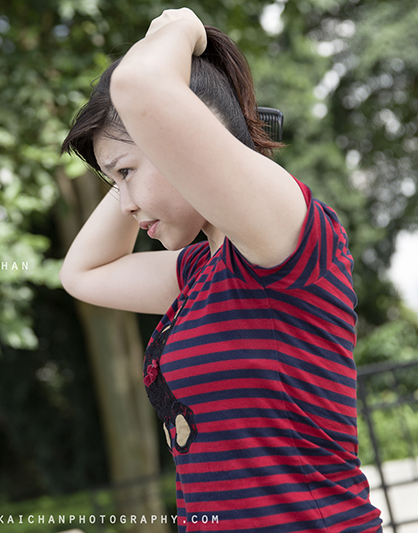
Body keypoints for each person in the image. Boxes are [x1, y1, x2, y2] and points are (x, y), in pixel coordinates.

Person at [58, 7, 383, 533]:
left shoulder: (284, 240)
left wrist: (180, 27)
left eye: (125, 173)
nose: (122, 204)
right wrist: (131, 166)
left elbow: (141, 86)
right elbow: (83, 274)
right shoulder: (197, 273)